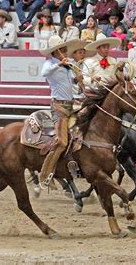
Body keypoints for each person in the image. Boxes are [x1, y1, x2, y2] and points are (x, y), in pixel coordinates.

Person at [38, 37, 82, 187]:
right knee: (62, 142)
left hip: (71, 104)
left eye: (65, 50)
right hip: (59, 107)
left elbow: (71, 81)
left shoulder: (68, 65)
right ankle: (45, 175)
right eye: (62, 50)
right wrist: (59, 64)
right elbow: (44, 73)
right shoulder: (49, 64)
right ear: (55, 53)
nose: (64, 53)